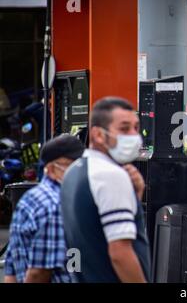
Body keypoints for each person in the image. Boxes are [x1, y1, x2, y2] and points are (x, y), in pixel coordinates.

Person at [60, 96, 150, 283]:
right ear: (98, 135)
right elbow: (120, 252)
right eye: (124, 128)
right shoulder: (110, 175)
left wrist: (135, 196)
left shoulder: (74, 171)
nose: (134, 135)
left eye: (136, 127)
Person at [4, 134, 85, 283]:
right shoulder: (56, 205)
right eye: (72, 165)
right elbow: (38, 273)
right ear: (52, 168)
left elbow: (12, 268)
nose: (80, 170)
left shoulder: (29, 199)